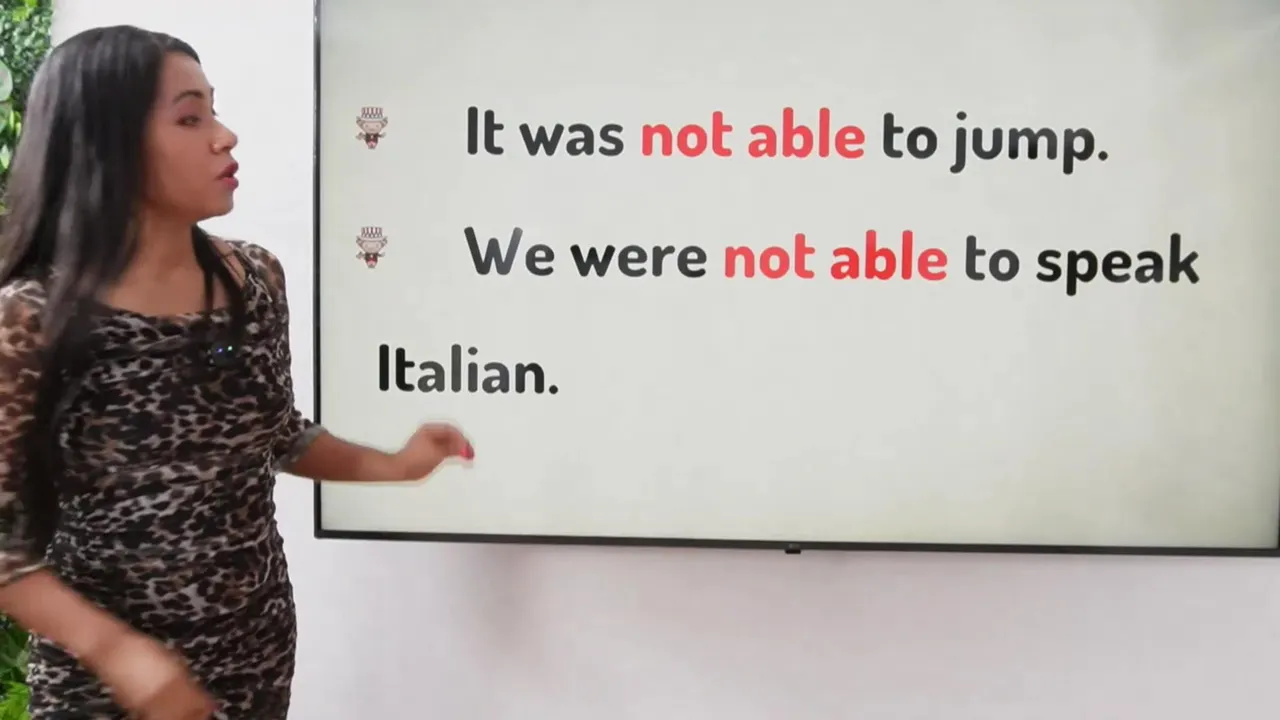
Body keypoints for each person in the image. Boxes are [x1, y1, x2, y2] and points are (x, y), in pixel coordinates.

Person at [0, 24, 473, 719]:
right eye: (190, 118)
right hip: (104, 690)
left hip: (255, 655)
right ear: (105, 143)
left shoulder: (252, 279)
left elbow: (276, 433)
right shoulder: (32, 317)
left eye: (214, 112)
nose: (225, 137)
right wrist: (121, 654)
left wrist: (397, 465)